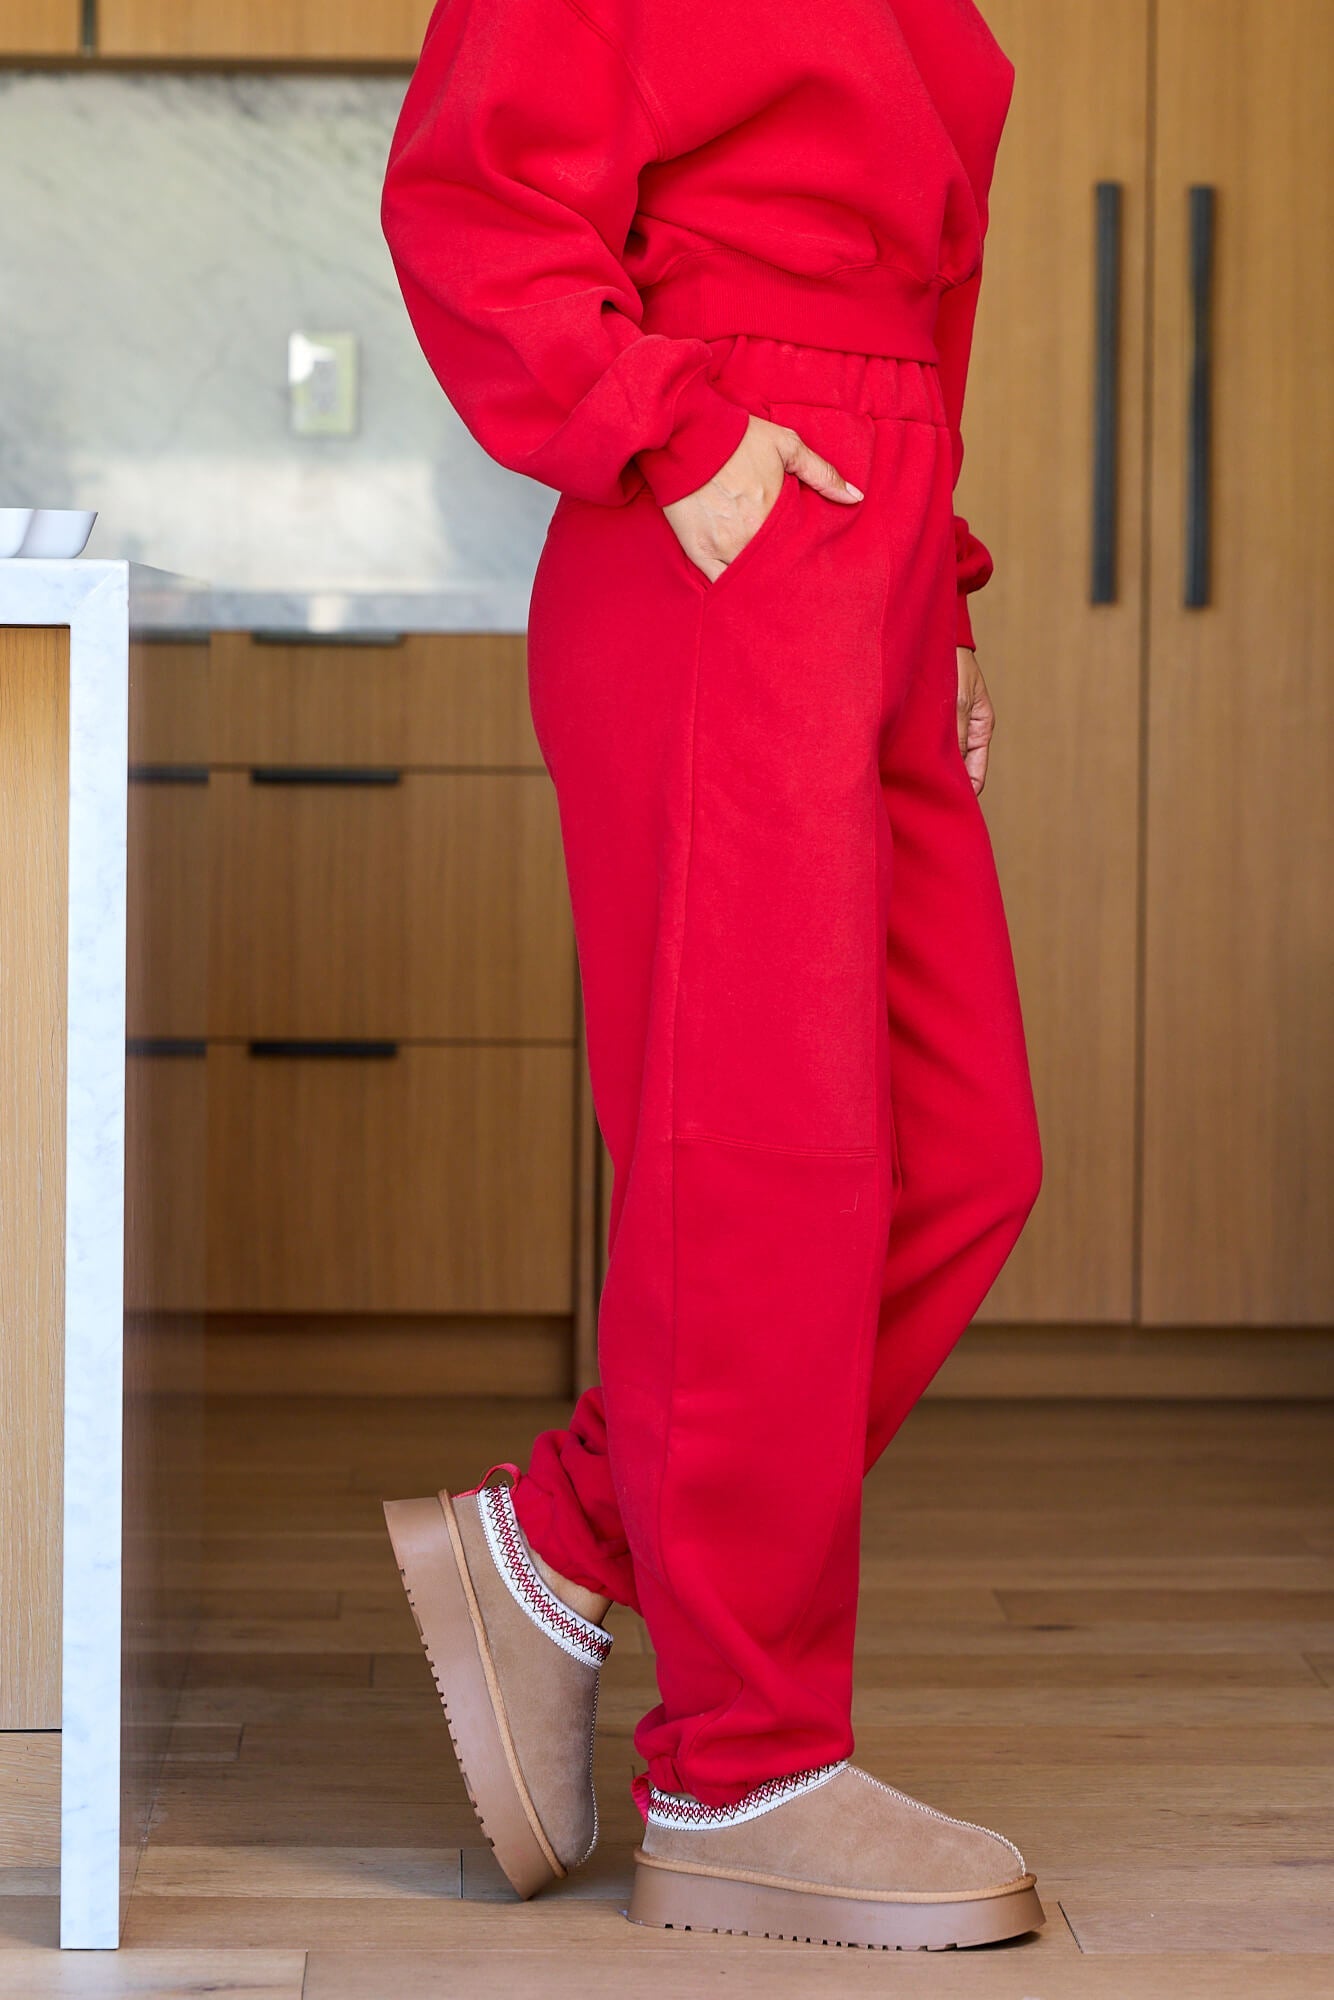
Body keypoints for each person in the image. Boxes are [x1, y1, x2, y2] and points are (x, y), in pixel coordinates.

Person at [379, 0, 1045, 1952]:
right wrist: (672, 431)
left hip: (877, 545)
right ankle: (742, 1766)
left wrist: (932, 596)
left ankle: (564, 1536)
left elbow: (922, 290)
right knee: (758, 1158)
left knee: (954, 1156)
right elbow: (474, 198)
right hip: (720, 514)